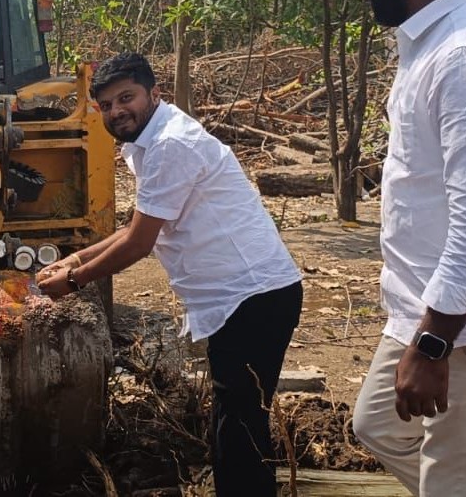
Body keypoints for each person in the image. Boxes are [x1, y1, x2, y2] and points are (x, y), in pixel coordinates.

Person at [37, 52, 302, 497]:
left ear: (154, 94)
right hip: (240, 299)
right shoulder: (150, 140)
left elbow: (139, 243)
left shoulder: (169, 145)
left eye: (127, 98)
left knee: (237, 434)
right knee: (237, 427)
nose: (118, 110)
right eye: (107, 104)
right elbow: (139, 228)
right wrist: (74, 260)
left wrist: (75, 281)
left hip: (253, 297)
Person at [344, 0, 466, 495]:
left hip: (453, 327)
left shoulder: (458, 56)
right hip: (423, 312)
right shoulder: (427, 45)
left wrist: (435, 342)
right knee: (378, 425)